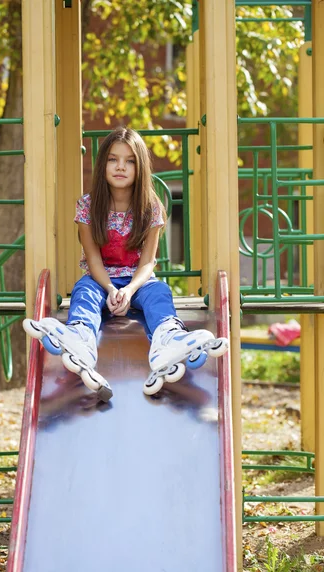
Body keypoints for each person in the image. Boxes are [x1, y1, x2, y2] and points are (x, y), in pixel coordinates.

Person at [23, 127, 228, 398]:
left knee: (160, 291)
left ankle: (167, 339)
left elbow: (147, 263)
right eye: (113, 159)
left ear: (140, 166)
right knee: (83, 291)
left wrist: (129, 290)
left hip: (137, 281)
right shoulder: (87, 206)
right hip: (100, 280)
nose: (121, 167)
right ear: (102, 164)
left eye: (130, 161)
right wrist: (110, 289)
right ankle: (80, 338)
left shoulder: (151, 207)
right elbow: (93, 259)